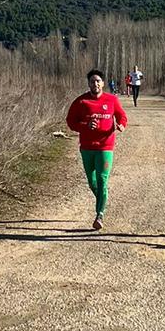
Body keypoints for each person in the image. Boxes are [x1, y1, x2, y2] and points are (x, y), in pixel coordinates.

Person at [66, 69, 128, 230]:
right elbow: (70, 121)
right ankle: (103, 196)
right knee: (92, 182)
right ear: (89, 84)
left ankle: (99, 214)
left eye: (98, 81)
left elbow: (122, 116)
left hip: (105, 147)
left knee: (102, 179)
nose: (96, 84)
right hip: (87, 147)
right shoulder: (81, 102)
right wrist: (85, 125)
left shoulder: (112, 100)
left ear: (103, 83)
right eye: (92, 81)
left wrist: (121, 125)